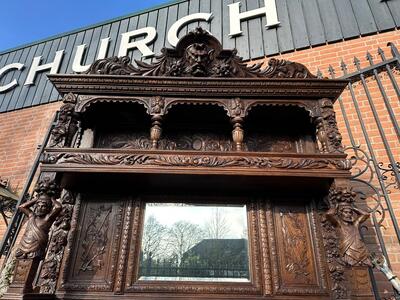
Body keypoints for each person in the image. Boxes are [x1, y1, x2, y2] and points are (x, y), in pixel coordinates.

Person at [15, 193, 62, 259]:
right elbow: (21, 207)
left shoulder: (47, 218)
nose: (40, 208)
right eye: (38, 206)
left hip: (36, 247)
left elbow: (58, 207)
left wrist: (52, 199)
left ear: (48, 209)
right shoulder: (32, 216)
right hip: (24, 244)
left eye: (43, 206)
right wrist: (36, 199)